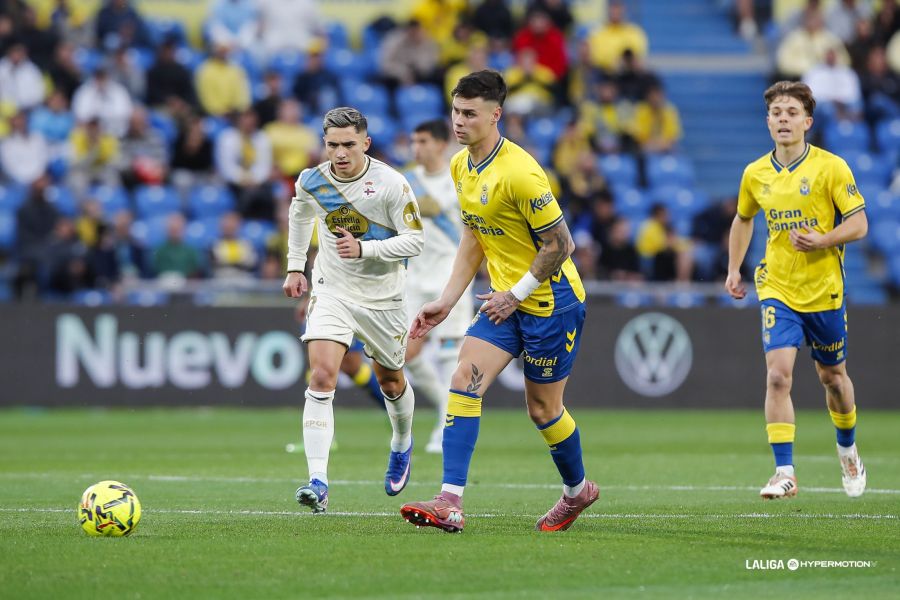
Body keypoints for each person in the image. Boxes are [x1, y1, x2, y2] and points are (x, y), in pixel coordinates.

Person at [400, 71, 597, 533]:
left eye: (470, 114)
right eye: (455, 111)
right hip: (502, 300)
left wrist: (516, 294)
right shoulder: (459, 166)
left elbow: (560, 244)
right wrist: (447, 301)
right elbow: (474, 235)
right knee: (463, 379)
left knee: (543, 410)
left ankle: (577, 492)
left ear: (496, 115)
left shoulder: (521, 173)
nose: (459, 122)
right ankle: (450, 501)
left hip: (551, 301)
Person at [725, 81, 868, 500]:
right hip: (778, 287)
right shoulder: (755, 173)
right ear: (767, 122)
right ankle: (784, 471)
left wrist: (823, 240)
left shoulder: (831, 167)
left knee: (833, 379)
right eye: (777, 113)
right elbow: (743, 218)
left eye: (791, 112)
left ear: (807, 121)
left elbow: (859, 224)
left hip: (824, 290)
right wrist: (734, 268)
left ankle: (848, 451)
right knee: (777, 376)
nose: (783, 119)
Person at [283, 107, 424, 513]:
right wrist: (296, 266)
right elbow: (299, 217)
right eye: (332, 145)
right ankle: (318, 481)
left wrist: (367, 248)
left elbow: (415, 240)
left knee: (391, 381)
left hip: (384, 297)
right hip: (333, 290)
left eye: (348, 144)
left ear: (366, 142)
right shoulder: (312, 181)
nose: (340, 153)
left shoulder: (391, 184)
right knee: (323, 373)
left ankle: (401, 443)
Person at [402, 119, 473, 454]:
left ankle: (446, 428)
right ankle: (444, 414)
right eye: (414, 141)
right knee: (404, 354)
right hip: (414, 277)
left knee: (449, 354)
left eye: (424, 141)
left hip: (450, 277)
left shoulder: (459, 178)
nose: (417, 147)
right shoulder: (406, 181)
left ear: (442, 144)